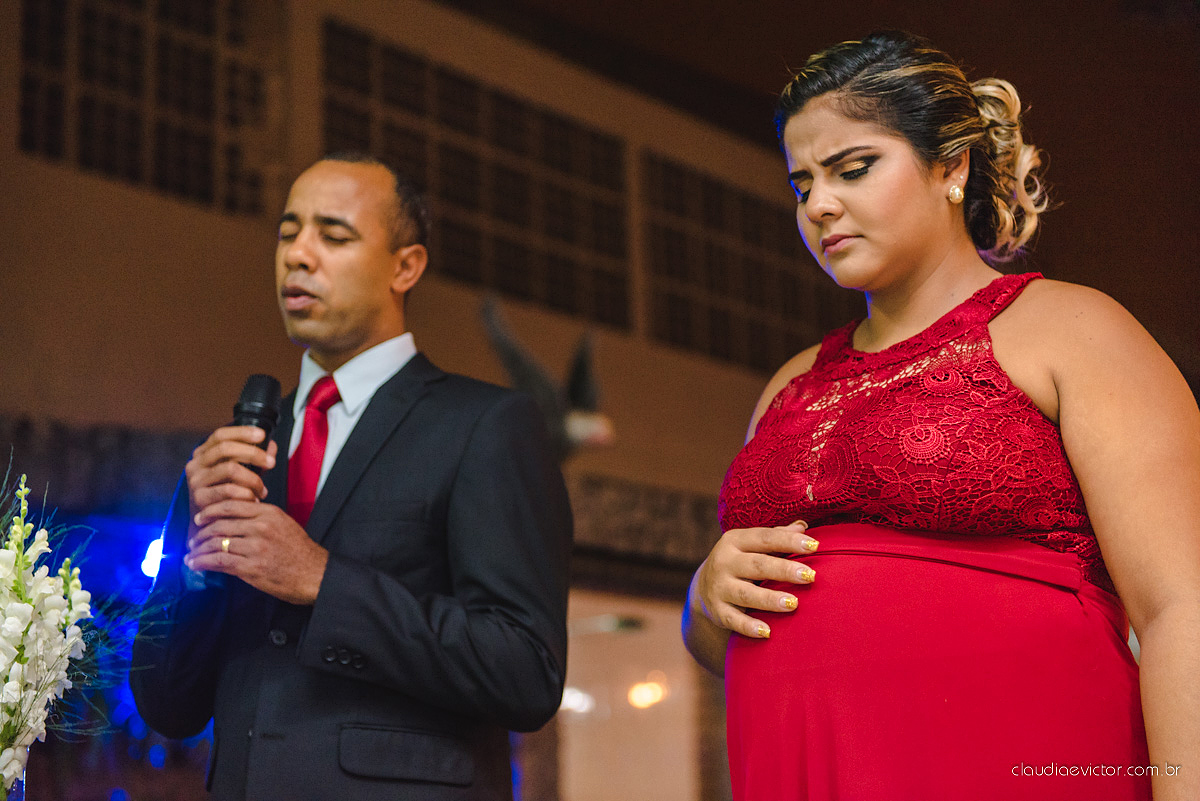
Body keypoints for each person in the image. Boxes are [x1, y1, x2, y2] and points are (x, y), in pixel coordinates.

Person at [682, 31, 1200, 801]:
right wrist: (703, 597)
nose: (820, 205)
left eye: (853, 168)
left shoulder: (1073, 330)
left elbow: (1179, 607)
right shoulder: (789, 384)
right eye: (802, 184)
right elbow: (732, 636)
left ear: (951, 166)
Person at [131, 153, 573, 800]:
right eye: (287, 233)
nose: (297, 255)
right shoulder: (239, 448)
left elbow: (526, 672)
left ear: (405, 267)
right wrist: (194, 568)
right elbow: (167, 706)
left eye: (333, 236)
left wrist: (324, 582)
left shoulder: (486, 426)